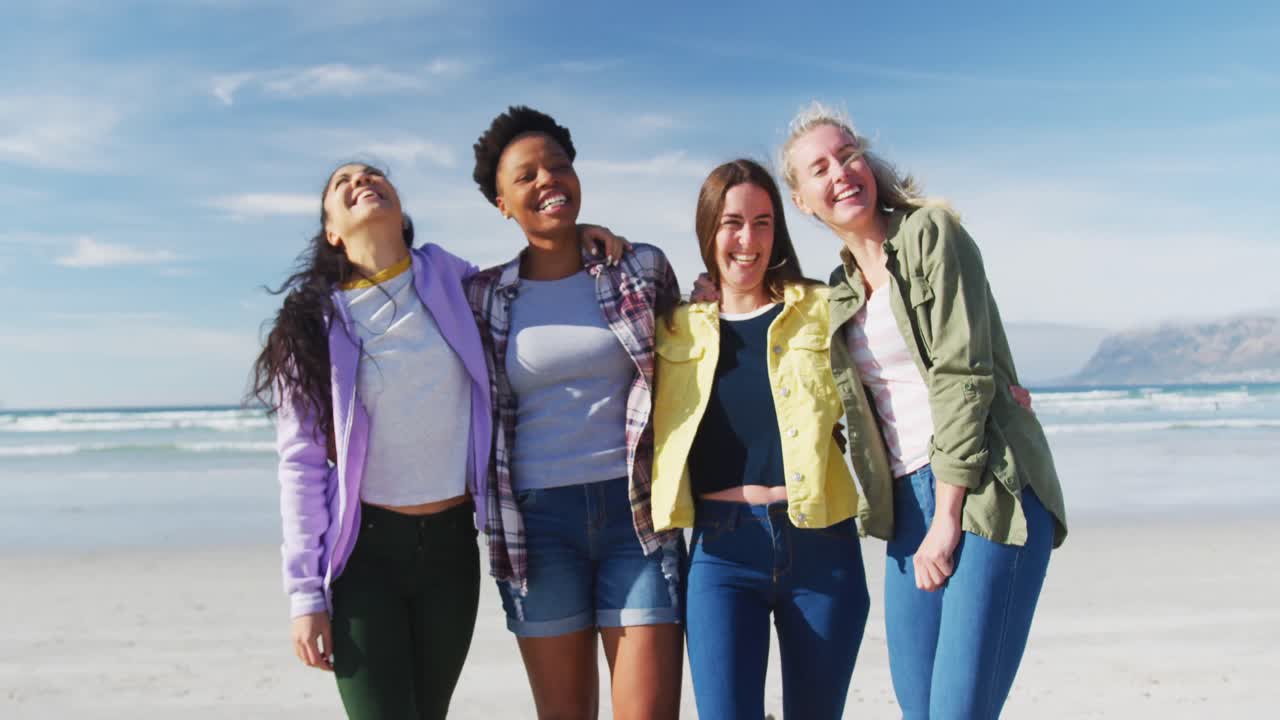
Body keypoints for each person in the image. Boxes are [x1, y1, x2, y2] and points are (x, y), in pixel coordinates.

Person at [251, 162, 625, 719]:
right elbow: (301, 464)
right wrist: (305, 595)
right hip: (365, 555)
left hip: (452, 551)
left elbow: (528, 279)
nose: (362, 181)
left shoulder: (449, 278)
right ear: (331, 231)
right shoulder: (311, 323)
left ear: (401, 209)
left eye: (373, 175)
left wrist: (577, 234)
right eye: (343, 183)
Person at [779, 102, 1070, 719]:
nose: (841, 173)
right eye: (820, 168)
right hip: (905, 506)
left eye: (848, 155)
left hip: (985, 487)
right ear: (802, 200)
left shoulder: (929, 234)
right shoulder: (839, 290)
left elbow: (962, 374)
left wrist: (947, 515)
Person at [464, 106, 684, 720]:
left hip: (637, 515)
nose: (547, 180)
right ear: (502, 204)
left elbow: (694, 359)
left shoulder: (640, 267)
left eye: (558, 166)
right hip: (536, 526)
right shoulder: (482, 296)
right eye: (526, 176)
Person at [651, 158, 869, 719]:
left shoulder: (821, 308)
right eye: (732, 222)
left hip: (823, 545)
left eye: (763, 222)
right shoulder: (673, 327)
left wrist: (999, 383)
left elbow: (896, 360)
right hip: (721, 553)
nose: (748, 240)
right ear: (708, 229)